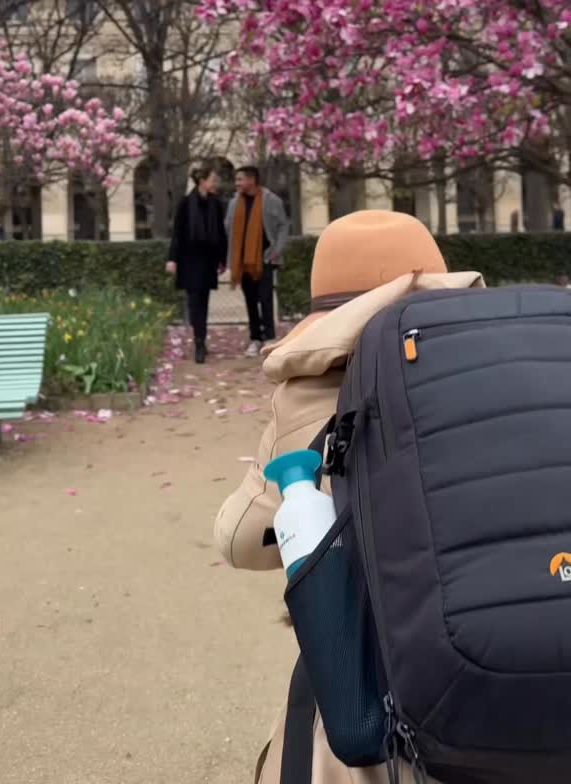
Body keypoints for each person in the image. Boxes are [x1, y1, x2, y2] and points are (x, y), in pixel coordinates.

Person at [214, 209, 485, 784]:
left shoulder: (309, 392)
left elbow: (240, 539)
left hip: (372, 683)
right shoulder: (501, 361)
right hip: (514, 648)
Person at [226, 166, 289, 357]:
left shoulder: (271, 200)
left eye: (240, 179)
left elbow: (283, 226)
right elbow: (228, 229)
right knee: (251, 301)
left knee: (266, 298)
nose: (237, 183)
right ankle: (255, 338)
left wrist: (276, 251)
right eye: (236, 180)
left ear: (252, 180)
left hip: (265, 259)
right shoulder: (234, 203)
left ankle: (269, 337)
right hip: (243, 261)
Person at [166, 166, 227, 363]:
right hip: (189, 260)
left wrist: (222, 259)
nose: (214, 182)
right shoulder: (185, 204)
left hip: (208, 259)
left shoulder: (216, 204)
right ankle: (199, 342)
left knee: (204, 301)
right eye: (212, 178)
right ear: (202, 180)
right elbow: (177, 233)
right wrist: (172, 259)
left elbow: (220, 233)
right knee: (194, 303)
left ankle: (201, 338)